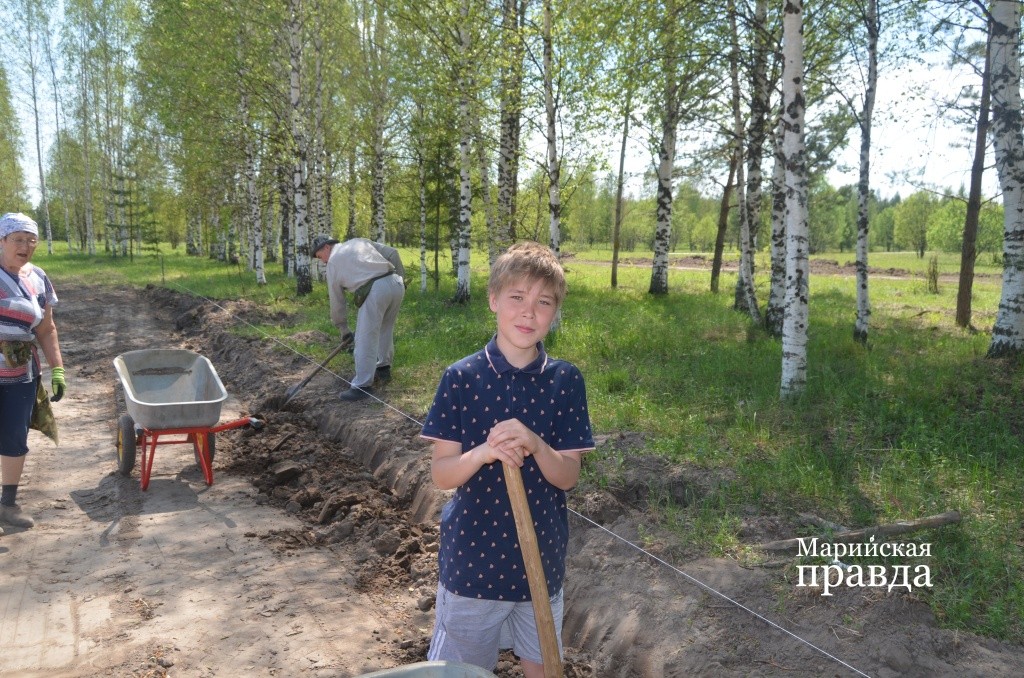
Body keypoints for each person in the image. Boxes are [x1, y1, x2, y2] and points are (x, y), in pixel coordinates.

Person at [419, 241, 594, 676]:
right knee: (462, 671)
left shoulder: (565, 381)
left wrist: (536, 443)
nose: (528, 312)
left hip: (541, 568)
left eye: (543, 302)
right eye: (517, 297)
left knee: (544, 668)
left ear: (555, 313)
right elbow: (442, 474)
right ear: (494, 300)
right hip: (473, 569)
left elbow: (568, 475)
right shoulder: (462, 378)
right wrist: (482, 453)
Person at [0, 212, 66, 536]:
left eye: (31, 240)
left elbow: (46, 327)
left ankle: (8, 506)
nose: (25, 246)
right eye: (18, 239)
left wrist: (58, 370)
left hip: (21, 374)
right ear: (2, 241)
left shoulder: (38, 277)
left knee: (14, 437)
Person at [311, 234, 405, 402]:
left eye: (320, 257)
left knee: (364, 338)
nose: (323, 261)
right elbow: (393, 253)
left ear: (326, 247)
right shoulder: (359, 242)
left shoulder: (333, 262)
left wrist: (343, 329)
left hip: (376, 289)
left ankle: (362, 386)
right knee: (385, 328)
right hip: (395, 283)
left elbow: (337, 301)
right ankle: (383, 369)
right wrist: (401, 280)